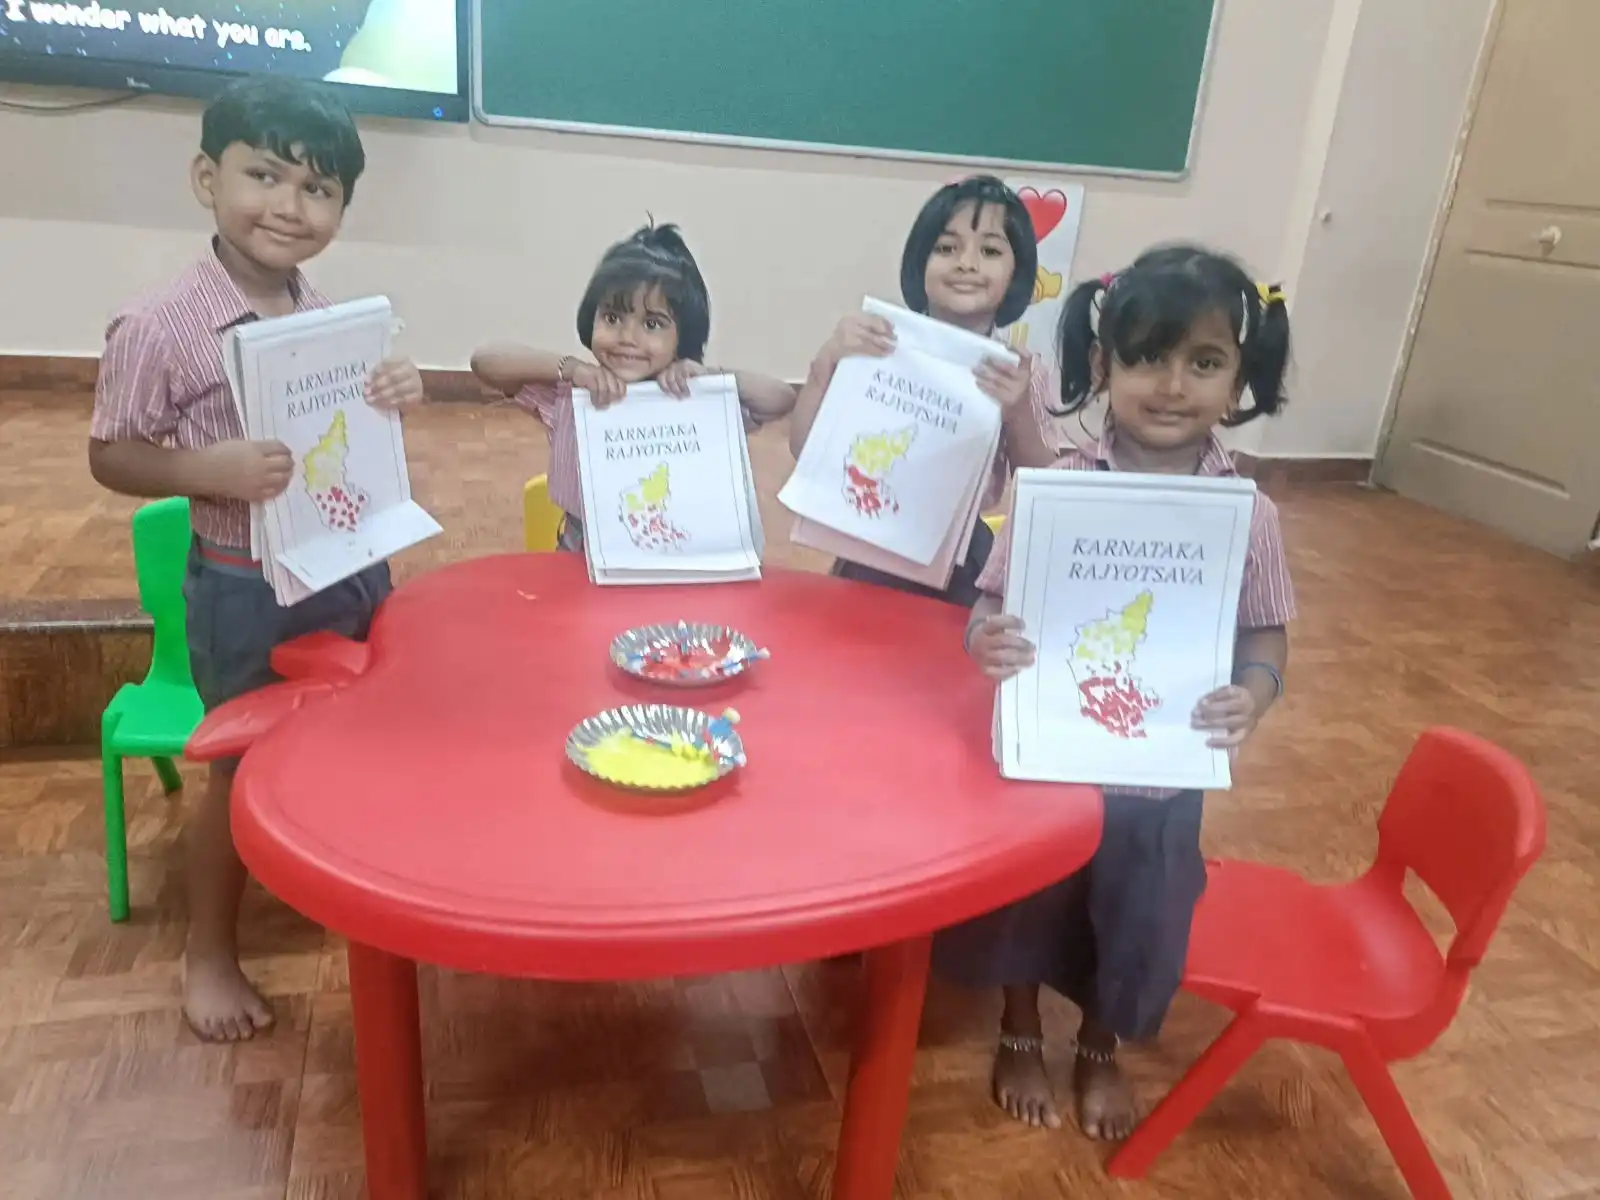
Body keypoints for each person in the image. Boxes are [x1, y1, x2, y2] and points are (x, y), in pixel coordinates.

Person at [86, 74, 426, 1042]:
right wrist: (207, 470)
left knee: (350, 737)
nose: (289, 205)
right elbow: (111, 454)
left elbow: (344, 439)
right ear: (208, 178)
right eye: (264, 175)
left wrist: (392, 390)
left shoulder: (331, 316)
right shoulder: (159, 324)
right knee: (241, 765)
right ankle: (209, 954)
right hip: (246, 589)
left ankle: (338, 877)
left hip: (348, 566)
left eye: (318, 189)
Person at [934, 243, 1296, 1139]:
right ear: (1103, 366)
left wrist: (1254, 693)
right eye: (1147, 358)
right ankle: (1020, 1029)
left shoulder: (1248, 514)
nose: (1171, 386)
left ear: (1238, 378)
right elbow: (990, 606)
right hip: (1051, 760)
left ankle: (1099, 1047)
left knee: (1136, 918)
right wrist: (987, 640)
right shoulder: (1055, 491)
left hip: (1161, 775)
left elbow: (1265, 631)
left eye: (1203, 363)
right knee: (1027, 903)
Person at [787, 174, 1070, 607]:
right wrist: (828, 363)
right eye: (946, 248)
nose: (966, 264)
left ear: (1017, 276)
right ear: (919, 264)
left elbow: (1044, 484)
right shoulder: (876, 343)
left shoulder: (1020, 372)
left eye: (990, 251)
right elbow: (804, 448)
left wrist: (1017, 415)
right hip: (870, 538)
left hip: (961, 558)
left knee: (946, 646)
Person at [470, 222, 796, 550]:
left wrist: (712, 378)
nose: (627, 338)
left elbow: (779, 398)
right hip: (579, 555)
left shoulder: (693, 400)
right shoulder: (570, 397)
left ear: (683, 337)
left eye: (652, 324)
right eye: (612, 318)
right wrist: (570, 368)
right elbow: (485, 361)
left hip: (673, 552)